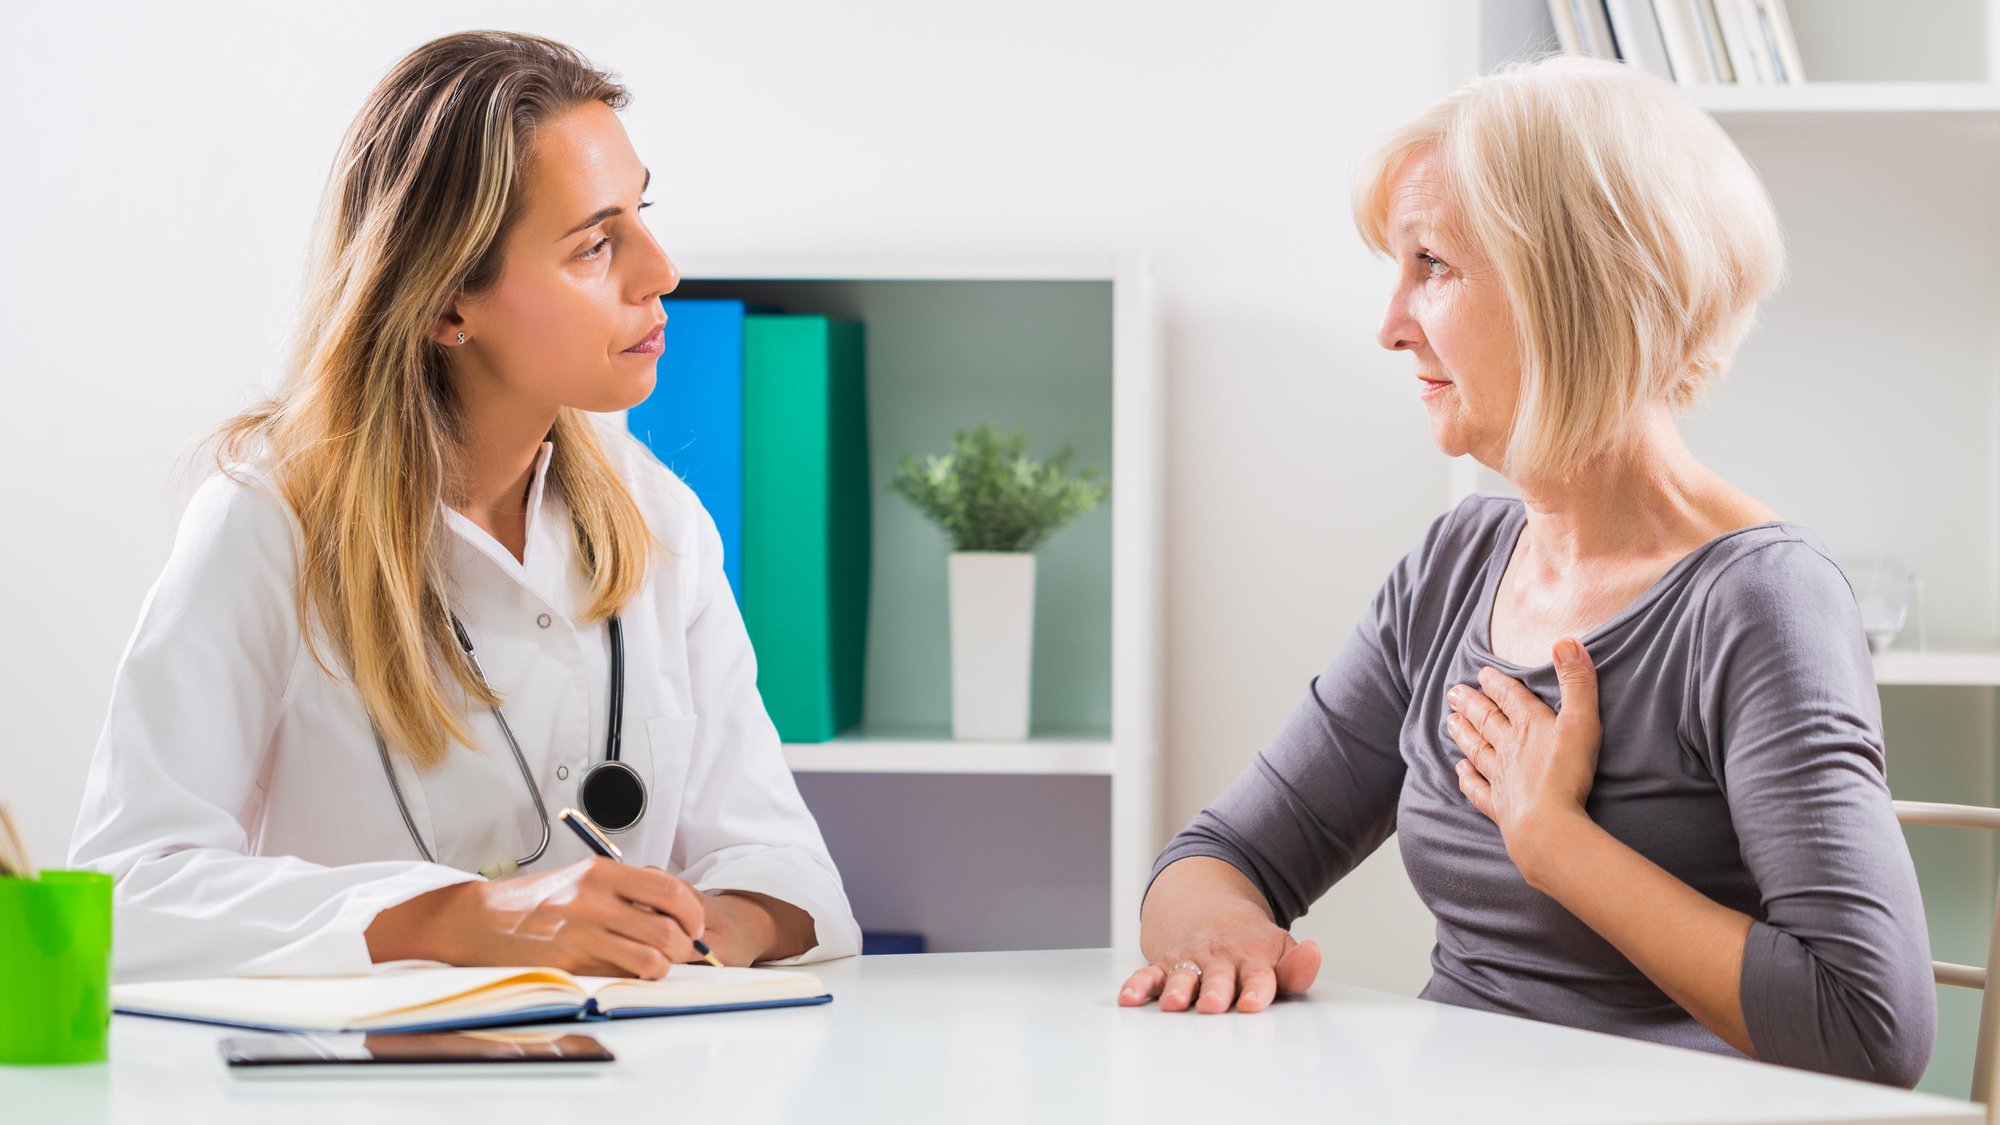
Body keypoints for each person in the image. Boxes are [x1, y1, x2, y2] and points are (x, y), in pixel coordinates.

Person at [1120, 56, 1935, 1087]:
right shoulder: (1455, 566)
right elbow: (1220, 856)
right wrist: (1219, 938)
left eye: (1432, 265)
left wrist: (1556, 844)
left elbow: (1871, 1029)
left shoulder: (1759, 601)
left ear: (1570, 290)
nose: (1390, 325)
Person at [69, 30, 860, 982]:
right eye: (595, 244)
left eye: (641, 213)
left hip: (636, 1058)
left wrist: (716, 923)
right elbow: (128, 894)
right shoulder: (267, 521)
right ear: (448, 304)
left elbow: (787, 873)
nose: (661, 271)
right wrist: (461, 919)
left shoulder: (661, 521)